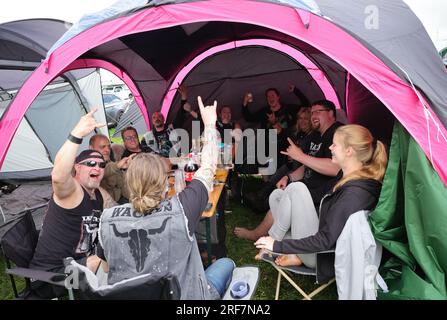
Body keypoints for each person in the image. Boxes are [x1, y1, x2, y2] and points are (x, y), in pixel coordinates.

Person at [98, 97, 235, 300]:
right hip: (186, 297)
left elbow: (107, 266)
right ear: (164, 184)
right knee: (226, 264)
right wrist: (208, 124)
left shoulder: (107, 219)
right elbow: (208, 166)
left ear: (130, 183)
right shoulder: (182, 209)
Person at [254, 124, 388, 274]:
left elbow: (326, 240)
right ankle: (283, 246)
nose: (330, 148)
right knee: (278, 195)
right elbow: (318, 196)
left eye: (334, 144)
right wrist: (291, 199)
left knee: (296, 188)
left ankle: (272, 241)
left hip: (322, 256)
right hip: (317, 238)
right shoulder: (345, 178)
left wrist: (277, 245)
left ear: (349, 151)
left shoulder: (356, 193)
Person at [29, 109, 117, 296]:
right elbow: (59, 176)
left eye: (101, 165)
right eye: (91, 164)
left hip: (77, 264)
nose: (97, 167)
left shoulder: (97, 195)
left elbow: (113, 217)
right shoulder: (72, 192)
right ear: (77, 168)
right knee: (104, 262)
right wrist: (76, 134)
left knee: (113, 254)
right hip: (50, 277)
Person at [234, 100, 343, 240]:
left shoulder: (338, 133)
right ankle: (270, 233)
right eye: (312, 112)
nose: (313, 116)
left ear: (331, 113)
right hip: (306, 185)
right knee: (280, 192)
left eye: (318, 112)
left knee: (284, 198)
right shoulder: (315, 136)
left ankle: (258, 235)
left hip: (324, 193)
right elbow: (308, 164)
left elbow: (335, 168)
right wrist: (289, 177)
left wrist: (300, 156)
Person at [244, 106, 313, 213]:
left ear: (311, 121)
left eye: (306, 119)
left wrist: (298, 156)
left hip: (301, 170)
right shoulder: (298, 134)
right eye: (300, 118)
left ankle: (264, 205)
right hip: (290, 165)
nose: (302, 121)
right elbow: (284, 133)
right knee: (274, 179)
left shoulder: (312, 136)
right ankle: (259, 197)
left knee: (279, 179)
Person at [241, 85, 310, 169]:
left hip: (285, 146)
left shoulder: (288, 108)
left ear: (278, 97)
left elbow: (306, 106)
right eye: (268, 97)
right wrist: (245, 103)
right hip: (268, 147)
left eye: (273, 95)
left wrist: (296, 90)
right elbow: (249, 118)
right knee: (266, 169)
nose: (271, 98)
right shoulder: (265, 111)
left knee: (282, 169)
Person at [89, 134, 134, 203]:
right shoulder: (86, 165)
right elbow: (101, 171)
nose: (107, 150)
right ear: (91, 148)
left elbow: (124, 187)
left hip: (120, 203)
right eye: (102, 147)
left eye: (109, 146)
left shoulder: (112, 163)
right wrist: (117, 166)